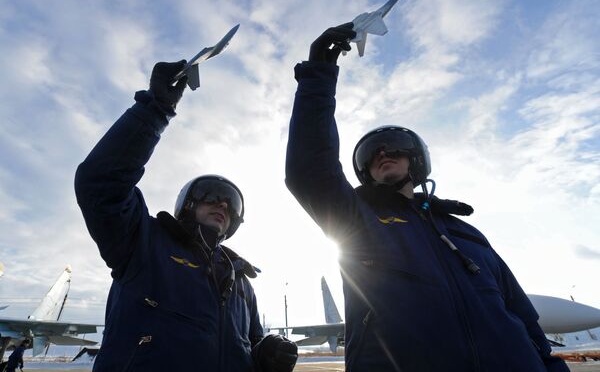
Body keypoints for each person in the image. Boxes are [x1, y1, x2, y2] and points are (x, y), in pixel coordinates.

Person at [285, 23, 570, 371]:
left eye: (395, 148)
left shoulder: (466, 233)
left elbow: (520, 314)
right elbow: (310, 171)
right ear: (365, 171)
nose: (383, 154)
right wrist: (318, 76)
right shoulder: (357, 222)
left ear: (416, 159)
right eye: (373, 153)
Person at [75, 61, 297, 372]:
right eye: (210, 195)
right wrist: (155, 109)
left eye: (231, 203)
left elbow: (249, 343)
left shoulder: (240, 278)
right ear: (187, 204)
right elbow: (100, 182)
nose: (222, 205)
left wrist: (267, 355)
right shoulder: (142, 241)